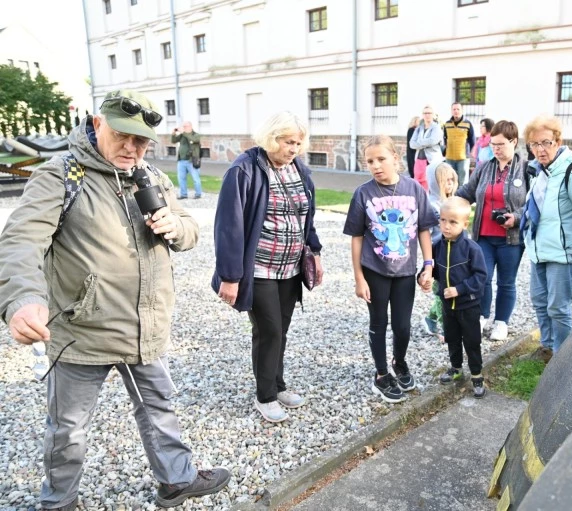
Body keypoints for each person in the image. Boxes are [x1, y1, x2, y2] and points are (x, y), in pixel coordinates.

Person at [0, 89, 230, 510]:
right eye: (123, 136)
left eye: (141, 141)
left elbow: (190, 230)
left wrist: (175, 227)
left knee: (159, 406)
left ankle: (176, 481)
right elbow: (20, 240)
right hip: (81, 333)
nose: (131, 148)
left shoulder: (151, 176)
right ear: (97, 123)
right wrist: (22, 299)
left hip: (145, 328)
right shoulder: (61, 174)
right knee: (68, 428)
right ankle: (59, 502)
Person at [213, 111, 324, 423]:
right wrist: (230, 276)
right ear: (272, 137)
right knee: (269, 329)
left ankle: (277, 385)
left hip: (290, 267)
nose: (294, 148)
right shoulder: (244, 169)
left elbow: (307, 215)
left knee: (281, 329)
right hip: (259, 267)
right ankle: (264, 396)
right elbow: (229, 227)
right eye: (289, 142)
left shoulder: (298, 168)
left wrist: (314, 251)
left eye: (299, 143)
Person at [344, 135, 438, 403]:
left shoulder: (414, 190)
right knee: (379, 323)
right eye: (370, 161)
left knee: (403, 326)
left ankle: (399, 362)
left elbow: (423, 230)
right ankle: (381, 374)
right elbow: (357, 237)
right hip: (375, 271)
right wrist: (359, 278)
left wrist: (428, 266)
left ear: (396, 159)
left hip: (405, 273)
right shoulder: (364, 193)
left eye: (381, 159)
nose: (375, 165)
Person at [521, 115, 572, 360]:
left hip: (563, 254)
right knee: (539, 300)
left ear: (557, 141)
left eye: (545, 143)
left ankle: (563, 358)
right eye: (534, 145)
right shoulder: (540, 171)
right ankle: (547, 348)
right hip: (539, 250)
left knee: (558, 307)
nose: (540, 150)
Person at [456, 120, 528, 342]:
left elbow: (534, 203)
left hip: (511, 238)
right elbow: (467, 192)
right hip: (483, 236)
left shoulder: (526, 168)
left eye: (500, 144)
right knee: (483, 278)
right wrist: (450, 199)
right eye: (492, 144)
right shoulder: (484, 167)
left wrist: (515, 218)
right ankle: (481, 317)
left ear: (514, 142)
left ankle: (501, 323)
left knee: (506, 281)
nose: (495, 148)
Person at [419, 197, 488, 398]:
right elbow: (429, 269)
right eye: (442, 220)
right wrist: (423, 277)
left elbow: (481, 277)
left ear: (465, 224)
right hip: (448, 306)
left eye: (453, 222)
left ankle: (476, 374)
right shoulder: (437, 246)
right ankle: (456, 368)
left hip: (468, 305)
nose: (446, 226)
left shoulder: (471, 249)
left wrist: (459, 289)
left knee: (472, 341)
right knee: (452, 338)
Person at [422, 158, 459, 339]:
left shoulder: (452, 203)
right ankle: (446, 326)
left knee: (449, 289)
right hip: (438, 257)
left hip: (453, 255)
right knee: (440, 292)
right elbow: (426, 235)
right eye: (446, 181)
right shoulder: (432, 206)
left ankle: (430, 318)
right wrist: (428, 262)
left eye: (452, 180)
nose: (450, 184)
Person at [409, 104, 443, 191]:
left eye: (429, 113)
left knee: (431, 184)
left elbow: (433, 141)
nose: (427, 115)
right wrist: (425, 142)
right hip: (419, 160)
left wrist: (419, 142)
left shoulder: (436, 127)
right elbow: (412, 144)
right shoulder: (419, 128)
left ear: (433, 115)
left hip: (432, 160)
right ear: (422, 115)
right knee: (418, 184)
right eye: (425, 113)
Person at [443, 102, 476, 185]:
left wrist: (471, 152)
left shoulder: (468, 124)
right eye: (454, 109)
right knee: (450, 180)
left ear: (462, 110)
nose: (456, 111)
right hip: (449, 157)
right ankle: (451, 198)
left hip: (463, 158)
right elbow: (445, 138)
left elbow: (472, 141)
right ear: (451, 111)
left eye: (458, 109)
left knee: (463, 181)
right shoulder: (447, 124)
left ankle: (462, 198)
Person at [172, 121, 203, 199]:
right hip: (181, 161)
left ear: (190, 126)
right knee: (181, 178)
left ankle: (198, 194)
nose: (184, 128)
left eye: (185, 126)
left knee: (196, 179)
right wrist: (173, 133)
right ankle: (183, 194)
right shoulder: (182, 135)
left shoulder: (196, 135)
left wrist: (184, 133)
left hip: (191, 161)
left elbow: (193, 139)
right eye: (183, 126)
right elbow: (174, 141)